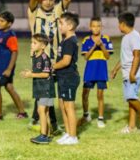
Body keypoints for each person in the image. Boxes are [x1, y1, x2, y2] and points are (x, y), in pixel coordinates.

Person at [27, 0, 72, 134]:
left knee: (51, 93)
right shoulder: (34, 11)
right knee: (44, 92)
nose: (48, 1)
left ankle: (44, 121)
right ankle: (49, 122)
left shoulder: (58, 11)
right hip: (39, 59)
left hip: (57, 59)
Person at [110, 12, 140, 134]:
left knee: (131, 96)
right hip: (127, 72)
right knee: (130, 99)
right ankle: (131, 127)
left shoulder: (135, 36)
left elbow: (137, 56)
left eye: (118, 24)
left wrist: (132, 73)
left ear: (123, 24)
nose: (118, 26)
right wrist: (115, 69)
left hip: (135, 72)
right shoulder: (126, 37)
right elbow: (125, 58)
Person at [0, 11, 27, 121]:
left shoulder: (10, 36)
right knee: (8, 87)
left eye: (2, 21)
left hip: (5, 68)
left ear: (9, 23)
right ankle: (22, 112)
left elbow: (15, 52)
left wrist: (9, 69)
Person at [20, 34, 55, 144]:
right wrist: (29, 72)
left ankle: (43, 136)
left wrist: (31, 75)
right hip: (40, 89)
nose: (31, 45)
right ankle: (47, 134)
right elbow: (37, 72)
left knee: (41, 111)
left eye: (34, 43)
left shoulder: (45, 58)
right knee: (45, 112)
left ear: (43, 46)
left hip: (46, 88)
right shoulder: (35, 56)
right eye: (32, 42)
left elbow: (45, 74)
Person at [79, 17, 113, 128]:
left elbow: (107, 57)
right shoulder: (86, 40)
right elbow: (86, 57)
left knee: (100, 95)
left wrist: (102, 45)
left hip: (101, 70)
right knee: (85, 94)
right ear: (90, 27)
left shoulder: (106, 39)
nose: (96, 28)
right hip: (90, 71)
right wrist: (94, 46)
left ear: (101, 27)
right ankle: (86, 114)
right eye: (93, 26)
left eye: (98, 26)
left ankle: (100, 118)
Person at [53, 12, 80, 145]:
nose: (59, 26)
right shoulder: (64, 40)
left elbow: (66, 61)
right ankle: (68, 133)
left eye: (61, 23)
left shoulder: (70, 41)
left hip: (69, 77)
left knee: (69, 107)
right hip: (62, 77)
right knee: (62, 106)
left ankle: (73, 136)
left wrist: (52, 67)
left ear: (70, 26)